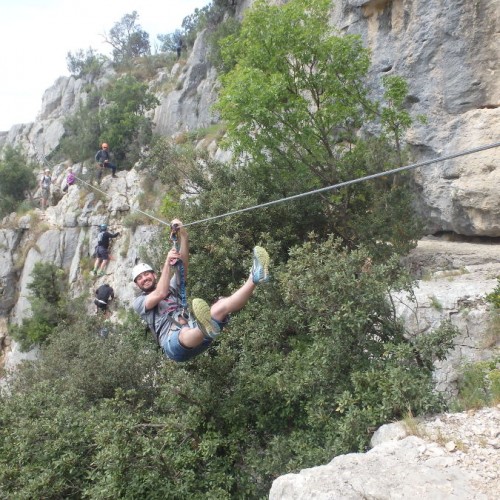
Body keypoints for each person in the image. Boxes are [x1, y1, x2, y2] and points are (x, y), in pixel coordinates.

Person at [132, 219, 270, 362]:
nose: (144, 278)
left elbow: (182, 266)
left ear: (154, 275)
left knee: (220, 306)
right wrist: (167, 263)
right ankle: (204, 327)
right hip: (174, 344)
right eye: (139, 278)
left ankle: (254, 277)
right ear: (137, 285)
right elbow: (160, 293)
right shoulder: (139, 302)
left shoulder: (172, 287)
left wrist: (184, 236)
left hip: (198, 336)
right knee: (185, 332)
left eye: (146, 274)